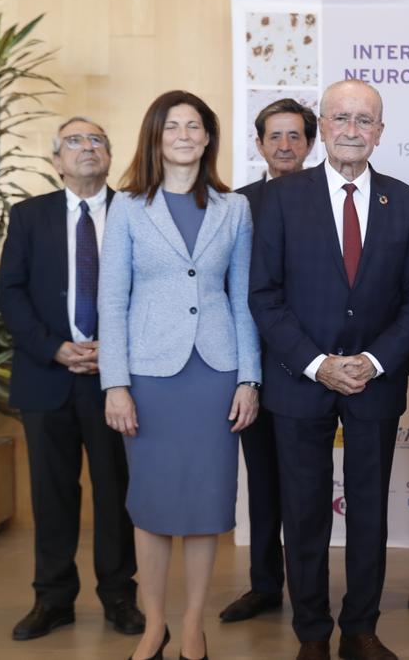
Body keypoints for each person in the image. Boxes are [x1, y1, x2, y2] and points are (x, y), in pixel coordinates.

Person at [248, 79, 409, 660]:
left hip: (374, 387)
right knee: (303, 517)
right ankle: (311, 634)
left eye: (365, 120)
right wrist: (317, 363)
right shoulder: (277, 199)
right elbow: (265, 295)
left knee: (369, 515)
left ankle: (360, 628)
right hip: (299, 385)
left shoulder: (406, 203)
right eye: (341, 118)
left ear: (381, 132)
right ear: (321, 127)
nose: (352, 129)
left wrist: (373, 362)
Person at [99, 90, 261, 660]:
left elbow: (241, 299)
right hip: (150, 376)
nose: (185, 135)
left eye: (196, 126)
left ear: (209, 137)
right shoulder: (127, 207)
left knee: (205, 505)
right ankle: (154, 625)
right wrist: (114, 383)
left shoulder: (233, 207)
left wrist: (250, 379)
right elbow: (111, 300)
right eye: (174, 127)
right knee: (152, 505)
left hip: (214, 375)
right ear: (156, 137)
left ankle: (193, 624)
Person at [0, 116, 144, 642]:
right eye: (75, 142)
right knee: (52, 494)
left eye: (97, 140)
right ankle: (53, 599)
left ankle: (119, 595)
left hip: (115, 379)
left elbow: (151, 292)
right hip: (46, 376)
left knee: (115, 491)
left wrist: (117, 350)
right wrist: (54, 348)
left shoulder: (135, 210)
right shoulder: (29, 215)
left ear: (110, 155)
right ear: (56, 160)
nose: (88, 148)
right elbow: (9, 292)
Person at [220, 98, 317, 625]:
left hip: (306, 363)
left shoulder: (326, 199)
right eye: (274, 136)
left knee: (303, 485)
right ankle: (264, 584)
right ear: (259, 144)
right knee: (261, 480)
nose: (284, 145)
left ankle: (309, 589)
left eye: (295, 136)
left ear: (310, 143)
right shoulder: (237, 205)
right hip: (252, 364)